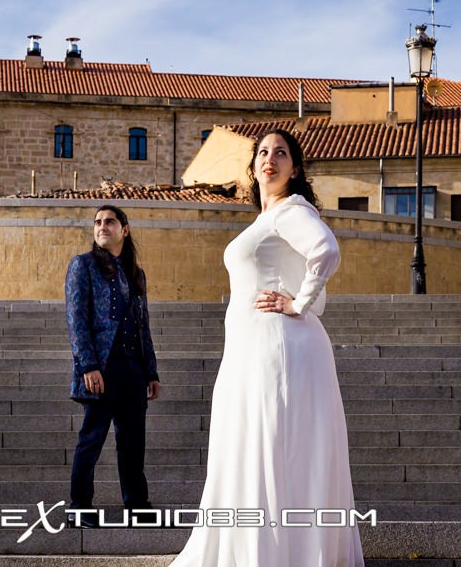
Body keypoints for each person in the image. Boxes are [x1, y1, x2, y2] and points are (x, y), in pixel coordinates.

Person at [170, 128, 365, 567]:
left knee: (274, 447)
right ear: (253, 164)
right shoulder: (268, 218)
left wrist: (298, 301)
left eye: (281, 153)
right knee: (260, 446)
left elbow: (326, 250)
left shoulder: (289, 212)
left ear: (295, 169)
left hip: (278, 348)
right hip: (255, 349)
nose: (269, 159)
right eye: (262, 152)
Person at [65, 204, 160, 524]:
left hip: (133, 369)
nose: (102, 226)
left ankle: (137, 505)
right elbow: (76, 320)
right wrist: (87, 365)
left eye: (109, 221)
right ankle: (79, 506)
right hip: (101, 369)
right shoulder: (83, 266)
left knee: (133, 442)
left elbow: (143, 324)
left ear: (125, 229)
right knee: (91, 438)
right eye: (97, 222)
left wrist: (151, 370)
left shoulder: (137, 273)